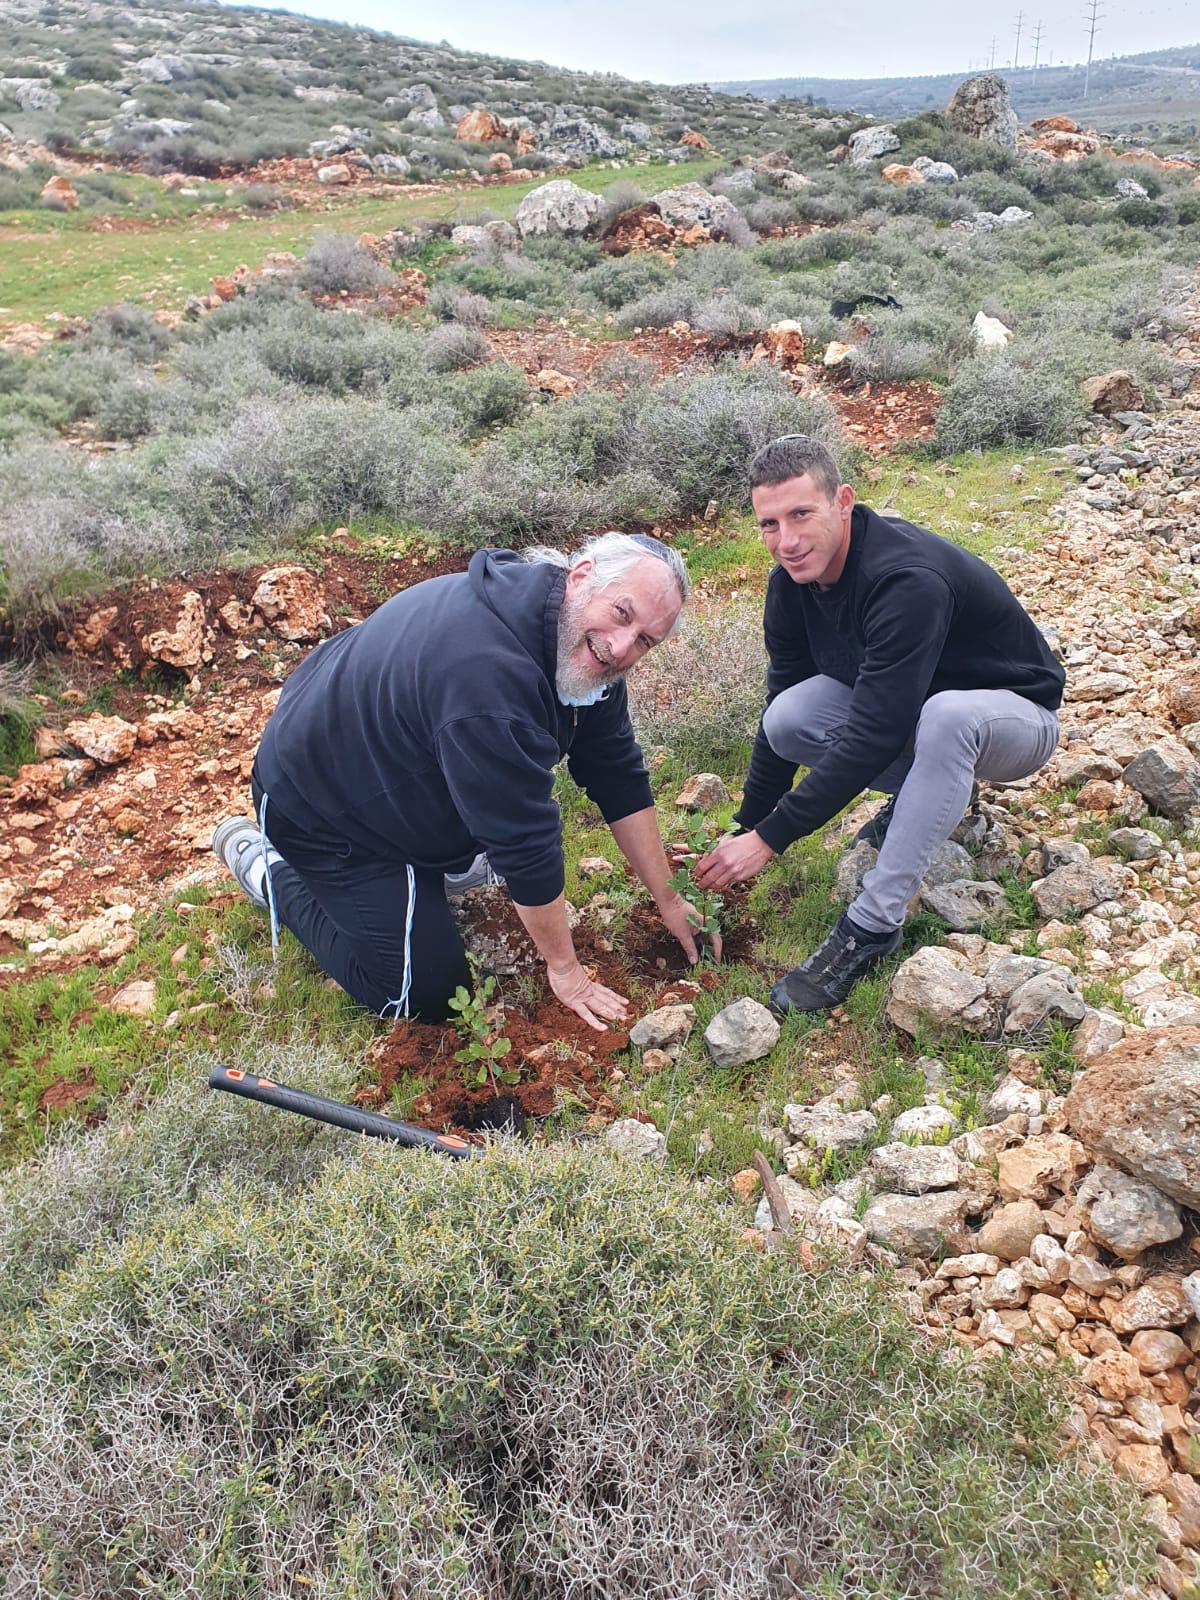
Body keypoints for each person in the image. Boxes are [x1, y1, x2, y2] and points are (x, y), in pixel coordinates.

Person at [213, 532, 719, 1033]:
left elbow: (618, 773)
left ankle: (446, 860)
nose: (621, 647)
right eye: (622, 614)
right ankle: (268, 867)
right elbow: (525, 842)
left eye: (645, 640)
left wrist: (669, 899)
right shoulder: (488, 675)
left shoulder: (570, 637)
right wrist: (566, 971)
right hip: (322, 808)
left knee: (490, 810)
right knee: (423, 993)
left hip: (388, 758)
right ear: (582, 576)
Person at [694, 435, 1064, 1014]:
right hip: (915, 721)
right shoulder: (791, 586)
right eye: (769, 524)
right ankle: (931, 795)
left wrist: (772, 839)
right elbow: (784, 698)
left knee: (948, 717)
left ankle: (870, 927)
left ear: (844, 501)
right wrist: (748, 823)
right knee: (789, 714)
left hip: (1014, 721)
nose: (786, 543)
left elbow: (874, 732)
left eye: (801, 515)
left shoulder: (904, 579)